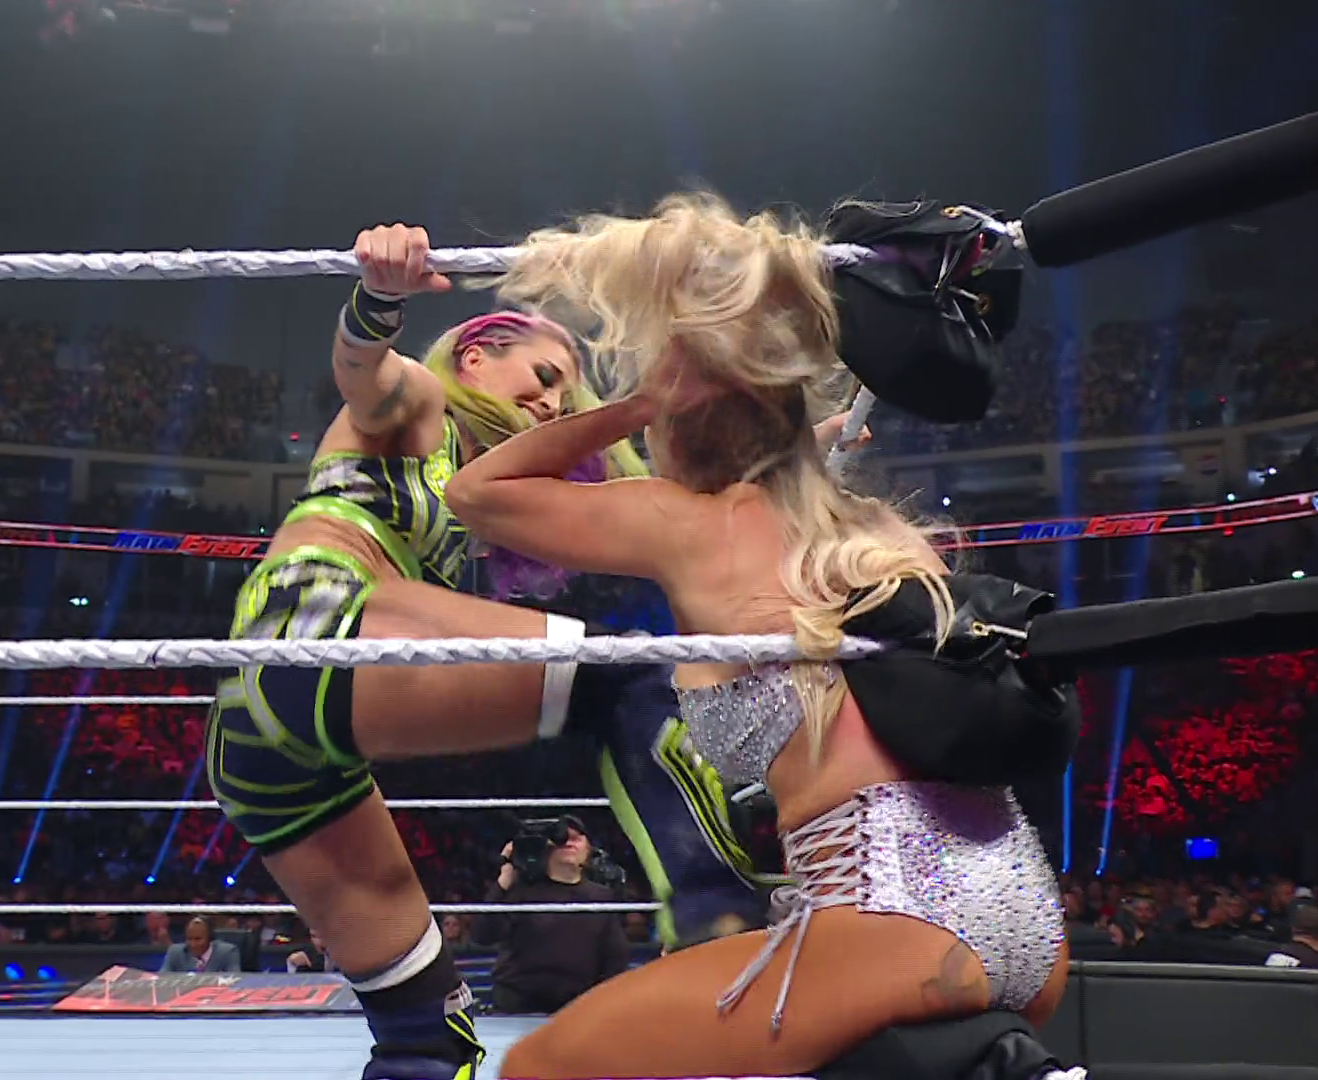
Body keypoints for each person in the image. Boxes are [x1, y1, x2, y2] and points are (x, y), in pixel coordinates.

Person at [205, 223, 856, 1080]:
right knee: (626, 677)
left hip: (264, 747)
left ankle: (707, 917)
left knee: (426, 1038)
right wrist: (380, 297)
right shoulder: (420, 403)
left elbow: (666, 497)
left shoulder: (487, 477)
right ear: (475, 356)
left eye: (564, 394)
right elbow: (361, 369)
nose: (553, 403)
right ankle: (713, 914)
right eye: (543, 377)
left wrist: (797, 450)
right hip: (311, 629)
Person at [444, 193, 1073, 1078]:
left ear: (675, 428)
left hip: (888, 917)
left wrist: (635, 403)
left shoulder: (690, 525)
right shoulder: (879, 534)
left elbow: (476, 493)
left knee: (541, 1067)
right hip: (1027, 920)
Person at [471, 817, 631, 1014]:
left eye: (576, 838)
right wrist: (504, 880)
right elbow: (483, 935)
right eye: (561, 839)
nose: (569, 843)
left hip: (576, 1006)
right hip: (518, 1003)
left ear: (588, 849)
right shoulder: (521, 891)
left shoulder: (601, 897)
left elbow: (615, 959)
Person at [160, 916, 242, 973]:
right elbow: (161, 979)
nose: (193, 944)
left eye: (198, 939)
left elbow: (235, 979)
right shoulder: (175, 952)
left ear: (209, 938)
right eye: (189, 939)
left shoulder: (228, 952)